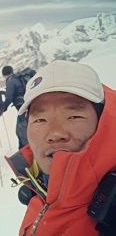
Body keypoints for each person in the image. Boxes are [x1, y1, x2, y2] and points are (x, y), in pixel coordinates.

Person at [6, 60, 116, 235]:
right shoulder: (38, 186)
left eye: (74, 116)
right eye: (40, 120)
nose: (55, 133)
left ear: (102, 121)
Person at [1, 66, 35, 149]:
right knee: (24, 131)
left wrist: (2, 108)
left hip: (23, 109)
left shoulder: (10, 81)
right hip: (30, 107)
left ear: (4, 75)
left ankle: (26, 154)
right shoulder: (18, 78)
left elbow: (9, 98)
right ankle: (25, 152)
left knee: (21, 133)